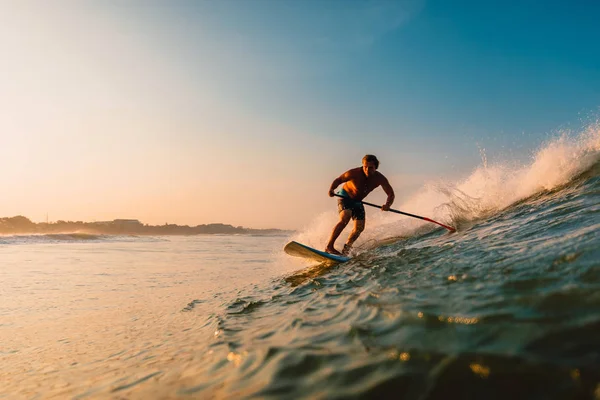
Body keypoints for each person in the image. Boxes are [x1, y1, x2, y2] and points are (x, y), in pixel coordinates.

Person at [326, 154, 395, 256]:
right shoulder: (354, 173)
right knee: (345, 218)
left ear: (376, 168)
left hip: (358, 201)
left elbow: (391, 194)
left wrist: (387, 204)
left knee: (359, 228)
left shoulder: (380, 178)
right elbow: (339, 180)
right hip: (345, 197)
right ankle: (329, 247)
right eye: (365, 166)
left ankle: (346, 250)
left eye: (370, 168)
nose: (367, 170)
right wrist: (332, 189)